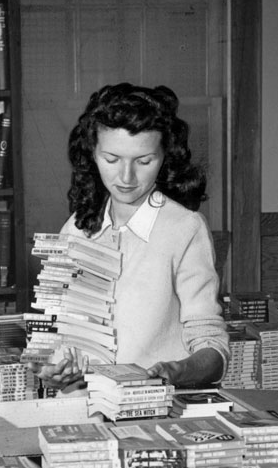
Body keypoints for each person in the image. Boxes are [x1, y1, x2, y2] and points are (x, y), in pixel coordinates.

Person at [38, 82, 229, 393]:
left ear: (165, 156)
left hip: (160, 407)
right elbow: (57, 335)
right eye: (111, 159)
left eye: (143, 161)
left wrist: (178, 370)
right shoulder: (74, 228)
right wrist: (52, 371)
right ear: (92, 154)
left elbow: (213, 345)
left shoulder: (185, 228)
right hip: (85, 407)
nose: (126, 178)